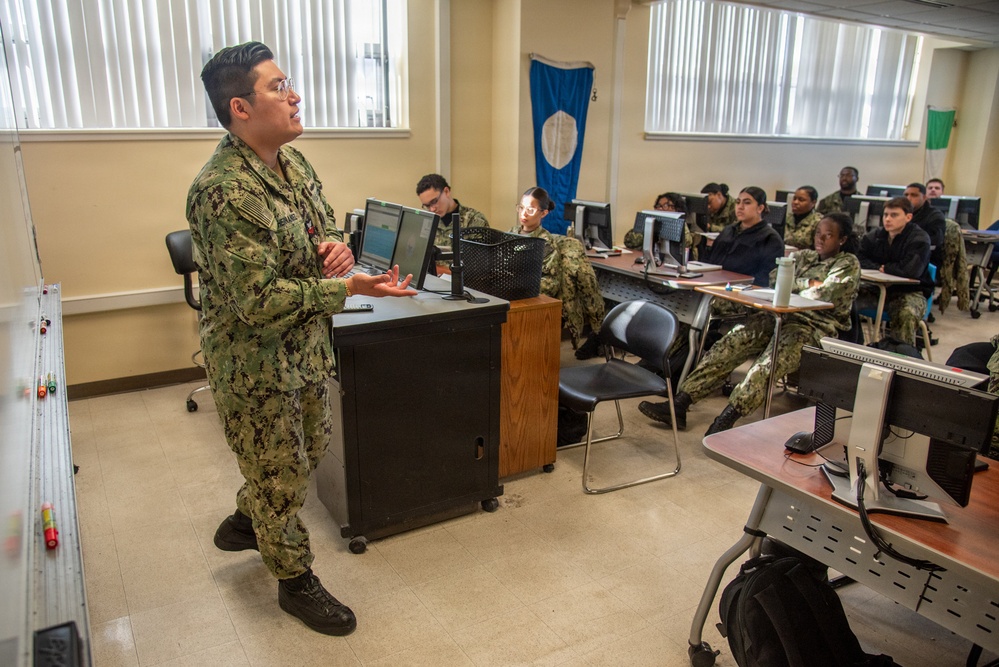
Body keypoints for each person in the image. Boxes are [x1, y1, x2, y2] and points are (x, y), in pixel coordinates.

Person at [188, 41, 417, 637]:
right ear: (240, 108)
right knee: (282, 469)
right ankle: (294, 581)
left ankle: (248, 517)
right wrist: (349, 288)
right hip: (253, 363)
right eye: (277, 87)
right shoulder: (222, 191)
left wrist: (335, 251)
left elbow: (318, 231)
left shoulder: (296, 165)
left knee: (306, 453)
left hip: (305, 348)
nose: (295, 95)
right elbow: (257, 302)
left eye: (289, 83)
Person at [639, 213, 861, 434]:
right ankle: (680, 403)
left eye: (828, 235)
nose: (820, 240)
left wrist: (794, 284)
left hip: (813, 326)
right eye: (817, 234)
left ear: (841, 240)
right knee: (731, 343)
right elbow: (774, 278)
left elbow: (826, 292)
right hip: (778, 316)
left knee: (767, 364)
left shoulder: (847, 263)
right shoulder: (804, 256)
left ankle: (727, 418)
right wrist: (806, 282)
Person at [511, 187, 605, 360]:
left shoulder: (545, 244)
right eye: (521, 208)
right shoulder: (510, 235)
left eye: (530, 210)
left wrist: (517, 286)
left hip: (530, 300)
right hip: (510, 294)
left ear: (544, 213)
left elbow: (550, 283)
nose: (524, 213)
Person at [856, 197, 933, 347]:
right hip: (878, 290)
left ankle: (902, 357)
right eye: (886, 215)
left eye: (894, 215)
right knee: (848, 300)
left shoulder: (919, 238)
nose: (888, 219)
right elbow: (858, 258)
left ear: (908, 217)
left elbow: (912, 270)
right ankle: (855, 347)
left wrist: (886, 267)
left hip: (911, 292)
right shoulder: (877, 235)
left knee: (906, 314)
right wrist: (879, 267)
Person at [705, 186, 784, 287]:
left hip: (742, 292)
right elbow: (711, 261)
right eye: (738, 202)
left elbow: (765, 278)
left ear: (760, 208)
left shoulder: (770, 238)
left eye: (747, 203)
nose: (740, 207)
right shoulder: (728, 230)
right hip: (714, 284)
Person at [416, 173, 489, 267]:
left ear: (446, 191)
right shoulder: (427, 221)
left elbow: (480, 267)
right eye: (427, 206)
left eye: (434, 202)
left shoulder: (474, 221)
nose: (432, 209)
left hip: (461, 280)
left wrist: (440, 270)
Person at [905, 182, 946, 268]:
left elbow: (936, 240)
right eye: (906, 195)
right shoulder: (901, 213)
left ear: (924, 197)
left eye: (914, 195)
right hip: (905, 255)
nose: (908, 198)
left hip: (925, 259)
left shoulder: (935, 215)